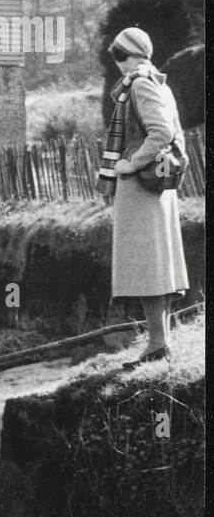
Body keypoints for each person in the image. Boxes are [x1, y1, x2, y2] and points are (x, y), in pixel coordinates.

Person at [96, 27, 188, 368]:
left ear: (127, 55)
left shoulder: (140, 83)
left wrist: (129, 164)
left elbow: (161, 131)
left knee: (147, 266)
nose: (116, 62)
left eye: (117, 55)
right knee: (157, 264)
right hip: (156, 184)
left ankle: (156, 343)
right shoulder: (156, 81)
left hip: (141, 184)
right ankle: (158, 342)